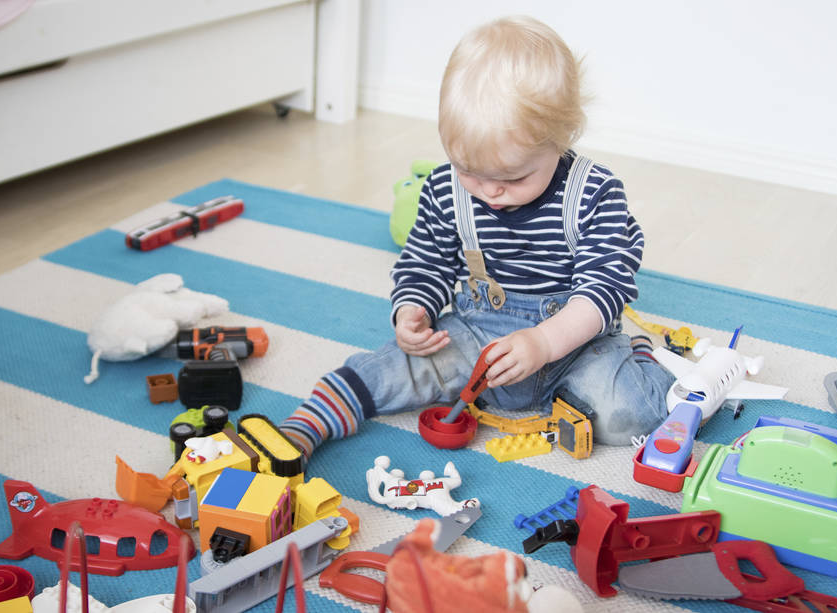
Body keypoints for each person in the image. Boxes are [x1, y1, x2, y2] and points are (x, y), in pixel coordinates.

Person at [279, 15, 674, 459]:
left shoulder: (595, 193)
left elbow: (605, 288)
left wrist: (543, 343)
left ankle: (640, 355)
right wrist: (412, 310)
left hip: (575, 347)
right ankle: (309, 422)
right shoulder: (447, 190)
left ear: (562, 139)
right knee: (395, 369)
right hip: (478, 334)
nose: (490, 191)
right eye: (470, 171)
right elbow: (425, 262)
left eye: (513, 177)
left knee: (634, 414)